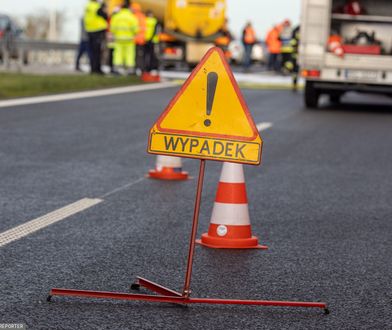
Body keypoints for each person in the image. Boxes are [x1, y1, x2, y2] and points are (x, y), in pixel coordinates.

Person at [110, 0, 139, 74]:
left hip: (118, 38)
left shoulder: (116, 16)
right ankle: (130, 70)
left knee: (118, 54)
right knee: (130, 54)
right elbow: (135, 29)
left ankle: (117, 69)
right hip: (129, 39)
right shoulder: (132, 17)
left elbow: (112, 28)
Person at [84, 0, 108, 74]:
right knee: (97, 51)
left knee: (92, 51)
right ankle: (97, 69)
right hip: (97, 30)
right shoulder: (97, 6)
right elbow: (105, 16)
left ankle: (93, 68)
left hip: (89, 30)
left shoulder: (88, 5)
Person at [131, 2, 146, 75]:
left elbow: (133, 28)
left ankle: (135, 70)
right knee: (140, 56)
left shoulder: (133, 16)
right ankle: (142, 70)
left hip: (135, 39)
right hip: (141, 39)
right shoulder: (142, 16)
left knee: (135, 56)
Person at [143, 10, 160, 75]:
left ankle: (146, 68)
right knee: (152, 55)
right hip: (153, 40)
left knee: (145, 55)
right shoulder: (154, 21)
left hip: (145, 40)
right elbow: (156, 31)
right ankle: (153, 68)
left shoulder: (144, 21)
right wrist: (152, 38)